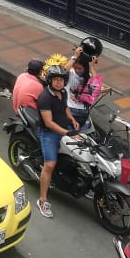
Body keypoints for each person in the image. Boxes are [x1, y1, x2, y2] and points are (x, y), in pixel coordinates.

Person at [35, 64, 77, 218]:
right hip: (49, 133)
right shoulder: (45, 98)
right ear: (50, 80)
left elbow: (65, 108)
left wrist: (72, 119)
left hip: (64, 128)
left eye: (61, 80)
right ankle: (42, 200)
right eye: (56, 80)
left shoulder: (63, 92)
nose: (59, 83)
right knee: (49, 165)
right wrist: (67, 133)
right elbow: (49, 123)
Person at [66, 45, 103, 125]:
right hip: (82, 112)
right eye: (75, 67)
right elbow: (96, 83)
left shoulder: (72, 74)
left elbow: (64, 70)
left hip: (71, 109)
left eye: (79, 68)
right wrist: (91, 67)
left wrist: (75, 56)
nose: (77, 70)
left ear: (85, 68)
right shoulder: (88, 77)